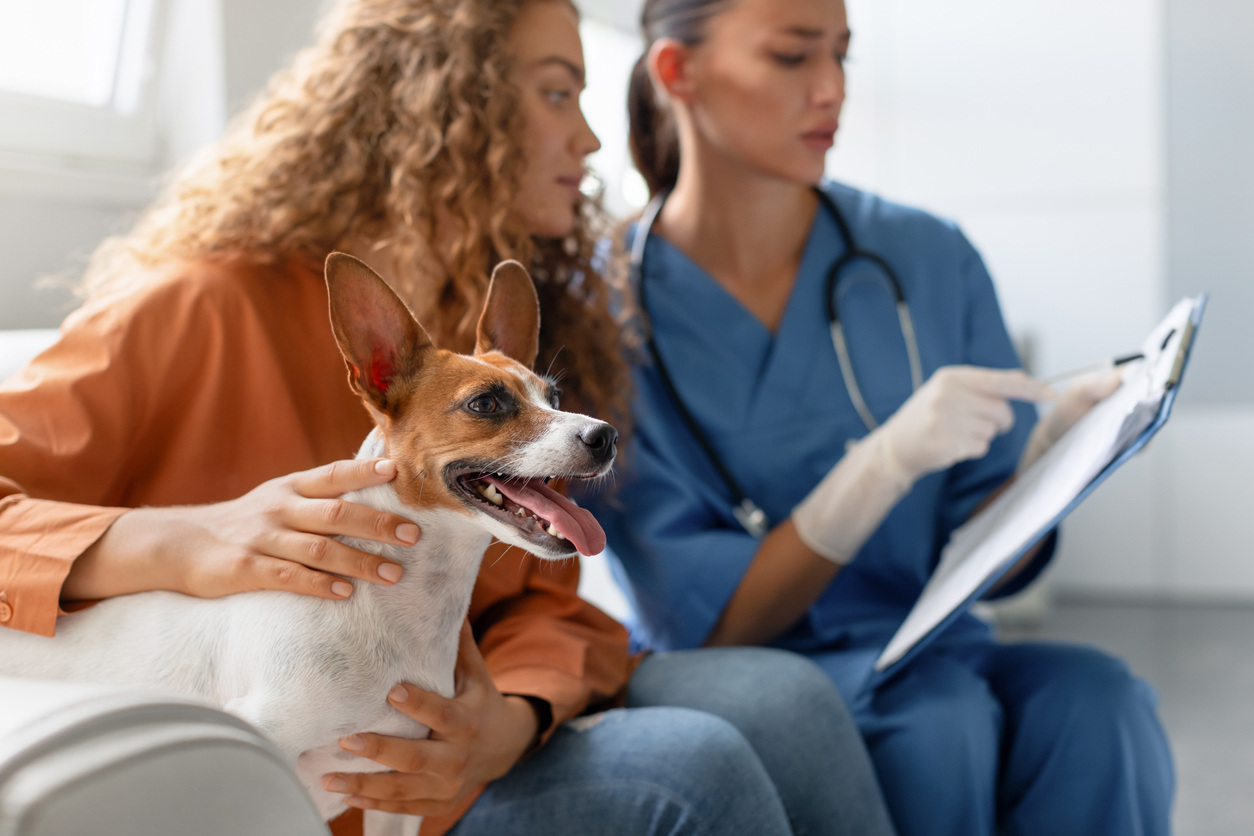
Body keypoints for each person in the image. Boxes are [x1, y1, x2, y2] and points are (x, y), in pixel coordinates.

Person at [0, 1, 897, 834]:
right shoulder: (193, 308)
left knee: (794, 702)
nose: (590, 137)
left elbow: (553, 605)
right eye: (556, 92)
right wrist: (185, 543)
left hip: (454, 740)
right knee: (693, 767)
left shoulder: (493, 355)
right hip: (306, 763)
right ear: (434, 113)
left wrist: (515, 714)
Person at [587, 0, 1176, 834]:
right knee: (936, 725)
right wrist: (880, 465)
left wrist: (1048, 470)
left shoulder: (928, 257)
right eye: (793, 57)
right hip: (744, 669)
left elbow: (993, 566)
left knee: (1100, 704)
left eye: (843, 57)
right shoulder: (604, 312)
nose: (831, 90)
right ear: (677, 73)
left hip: (932, 646)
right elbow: (712, 623)